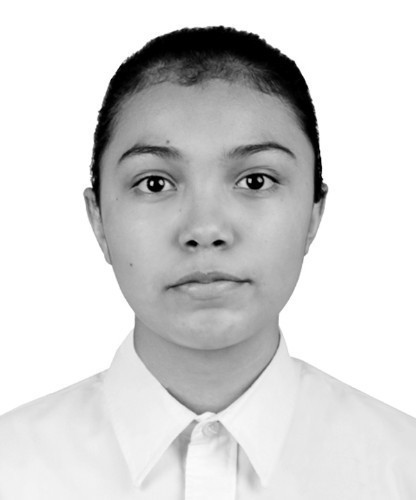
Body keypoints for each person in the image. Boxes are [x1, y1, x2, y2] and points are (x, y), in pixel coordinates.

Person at [0, 26, 415, 499]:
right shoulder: (12, 468)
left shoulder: (401, 469)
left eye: (255, 180)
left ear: (314, 213)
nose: (205, 228)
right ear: (98, 219)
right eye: (155, 183)